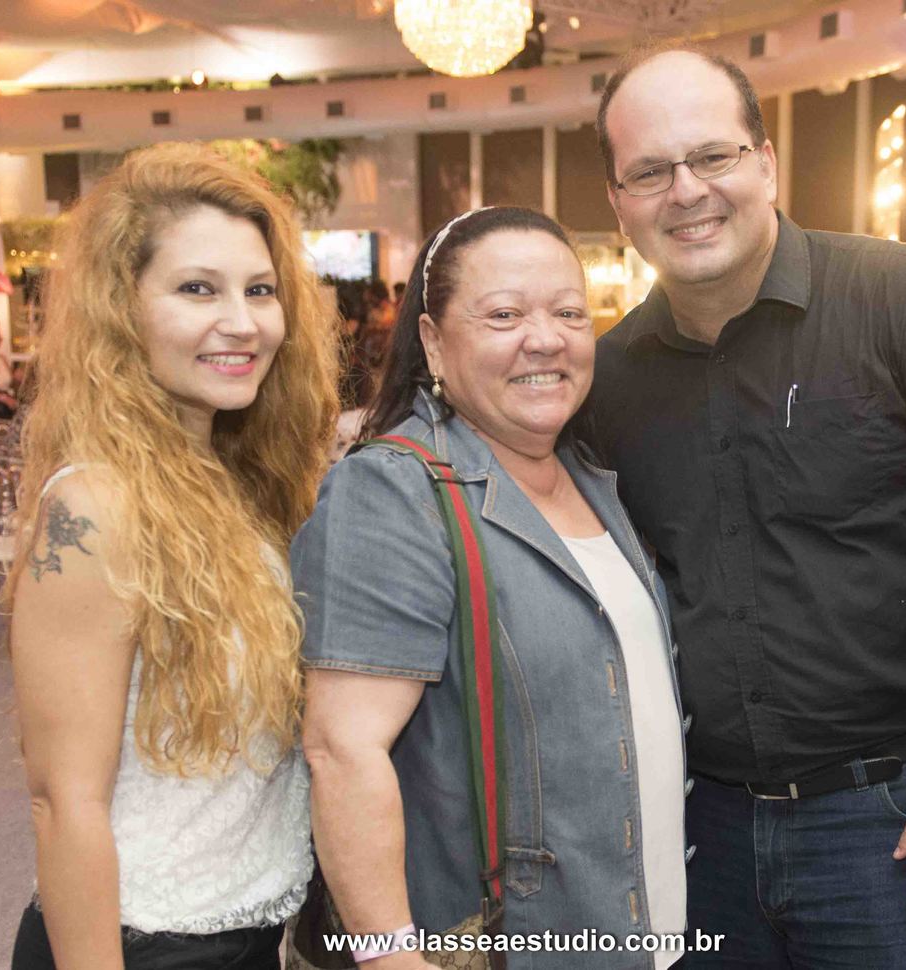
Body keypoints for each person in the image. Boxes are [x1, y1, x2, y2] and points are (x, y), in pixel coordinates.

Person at [585, 42, 906, 969]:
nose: (685, 190)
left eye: (713, 156)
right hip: (700, 825)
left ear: (766, 162)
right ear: (619, 203)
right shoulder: (609, 377)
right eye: (650, 171)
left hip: (886, 820)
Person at [292, 205, 688, 969]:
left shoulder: (592, 479)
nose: (545, 338)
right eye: (504, 314)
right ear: (434, 342)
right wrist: (389, 957)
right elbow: (343, 750)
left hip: (641, 933)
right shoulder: (395, 492)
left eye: (569, 312)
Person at [5, 142, 340, 969]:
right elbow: (62, 801)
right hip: (138, 946)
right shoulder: (94, 507)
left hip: (258, 935)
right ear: (124, 305)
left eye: (260, 290)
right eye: (198, 288)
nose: (243, 321)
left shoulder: (247, 485)